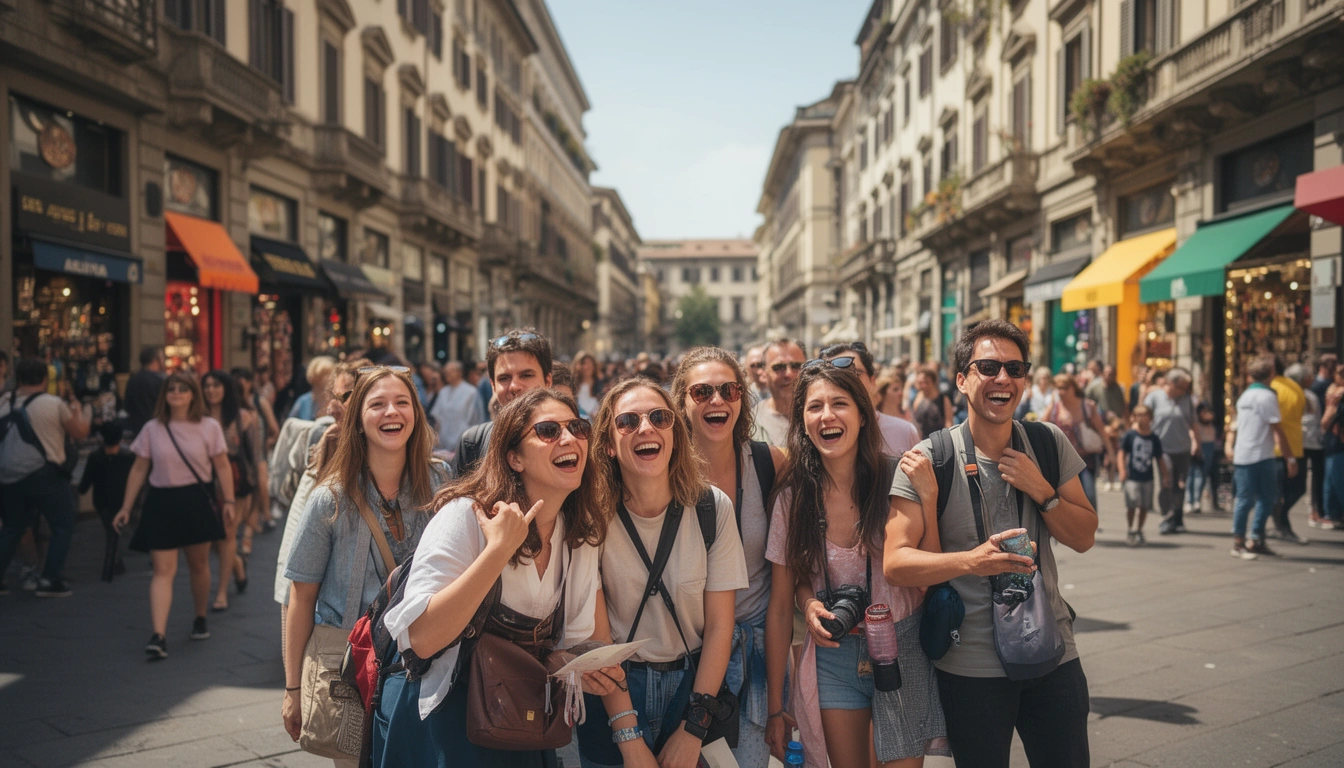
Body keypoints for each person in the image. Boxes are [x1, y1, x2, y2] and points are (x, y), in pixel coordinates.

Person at [885, 319, 1096, 768]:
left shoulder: (1047, 442)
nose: (1003, 379)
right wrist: (972, 561)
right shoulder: (930, 458)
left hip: (1052, 653)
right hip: (972, 665)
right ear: (961, 379)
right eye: (988, 367)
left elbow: (1084, 537)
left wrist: (1044, 491)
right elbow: (896, 562)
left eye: (1015, 369)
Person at [375, 388, 624, 767]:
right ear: (514, 457)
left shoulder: (579, 534)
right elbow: (421, 639)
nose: (569, 438)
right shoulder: (466, 516)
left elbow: (566, 646)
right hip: (445, 722)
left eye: (577, 427)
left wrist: (582, 669)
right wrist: (497, 552)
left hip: (517, 721)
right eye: (547, 430)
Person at [764, 361, 947, 768]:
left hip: (902, 646)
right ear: (803, 421)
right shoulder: (793, 500)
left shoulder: (897, 478)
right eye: (814, 407)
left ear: (863, 415)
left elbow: (931, 571)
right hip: (834, 654)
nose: (827, 416)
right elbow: (780, 606)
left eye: (839, 403)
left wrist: (929, 501)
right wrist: (808, 602)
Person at [574, 377, 748, 768]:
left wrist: (693, 728)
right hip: (615, 688)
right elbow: (599, 637)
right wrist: (628, 735)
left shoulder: (711, 507)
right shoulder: (591, 515)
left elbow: (721, 625)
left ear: (675, 434)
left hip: (694, 686)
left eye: (659, 417)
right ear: (607, 444)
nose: (646, 428)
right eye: (628, 422)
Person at [281, 366, 450, 763]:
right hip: (353, 674)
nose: (391, 412)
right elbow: (299, 598)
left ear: (416, 414)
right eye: (377, 404)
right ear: (357, 419)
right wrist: (292, 690)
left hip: (430, 668)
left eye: (402, 402)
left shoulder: (441, 482)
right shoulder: (331, 498)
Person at [671, 346, 785, 768]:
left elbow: (781, 592)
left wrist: (777, 704)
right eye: (702, 392)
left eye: (729, 390)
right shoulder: (657, 470)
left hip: (751, 665)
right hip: (679, 661)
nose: (717, 400)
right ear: (682, 402)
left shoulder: (769, 463)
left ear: (742, 398)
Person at [112, 372, 235, 657]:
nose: (177, 393)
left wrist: (228, 500)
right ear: (164, 395)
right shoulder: (152, 429)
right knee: (162, 571)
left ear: (193, 394)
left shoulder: (209, 426)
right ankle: (159, 635)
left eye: (183, 388)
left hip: (196, 499)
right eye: (172, 389)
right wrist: (126, 507)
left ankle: (200, 616)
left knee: (198, 566)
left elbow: (223, 466)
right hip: (161, 502)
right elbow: (139, 468)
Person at [0, 357, 90, 597]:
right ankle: (50, 579)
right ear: (44, 379)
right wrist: (79, 412)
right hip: (44, 474)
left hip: (8, 476)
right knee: (62, 524)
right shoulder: (53, 404)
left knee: (12, 528)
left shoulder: (3, 403)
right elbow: (79, 433)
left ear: (17, 379)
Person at [201, 370, 262, 611]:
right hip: (204, 483)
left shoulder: (244, 417)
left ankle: (222, 592)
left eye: (216, 385)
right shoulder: (198, 417)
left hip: (235, 485)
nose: (211, 390)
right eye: (207, 386)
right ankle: (236, 563)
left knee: (227, 535)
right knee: (213, 539)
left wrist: (255, 492)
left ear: (227, 389)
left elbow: (254, 457)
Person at [455, 330, 553, 475]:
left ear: (547, 381)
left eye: (526, 375)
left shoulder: (572, 440)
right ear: (493, 386)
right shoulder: (473, 443)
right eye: (504, 378)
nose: (514, 386)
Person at [1225, 357, 1294, 559]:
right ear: (1271, 373)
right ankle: (1243, 542)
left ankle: (1252, 539)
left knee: (1254, 498)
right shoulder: (1266, 396)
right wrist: (1290, 458)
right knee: (1259, 498)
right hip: (1260, 455)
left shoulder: (1245, 395)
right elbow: (1278, 430)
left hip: (1247, 453)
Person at [822, 342, 920, 456]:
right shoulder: (820, 433)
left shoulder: (905, 432)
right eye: (838, 375)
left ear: (872, 381)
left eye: (856, 373)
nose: (849, 381)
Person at [1043, 374, 1113, 510]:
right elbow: (1041, 426)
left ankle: (1090, 524)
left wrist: (1111, 453)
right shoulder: (1055, 408)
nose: (1061, 391)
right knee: (1066, 499)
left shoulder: (1087, 407)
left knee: (1089, 495)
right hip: (1062, 461)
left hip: (1085, 461)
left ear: (1073, 388)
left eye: (1064, 388)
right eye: (1058, 388)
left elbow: (1102, 431)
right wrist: (1051, 404)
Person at [79, 422, 136, 581]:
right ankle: (111, 563)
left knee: (110, 530)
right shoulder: (128, 458)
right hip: (121, 499)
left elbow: (85, 483)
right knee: (115, 530)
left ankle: (112, 562)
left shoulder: (95, 457)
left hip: (102, 500)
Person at [1144, 368, 1195, 535]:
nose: (1185, 390)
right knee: (1166, 482)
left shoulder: (1187, 399)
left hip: (1183, 448)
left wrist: (1196, 443)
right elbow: (1142, 418)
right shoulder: (1155, 397)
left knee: (1180, 485)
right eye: (1182, 387)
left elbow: (1193, 423)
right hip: (1162, 449)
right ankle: (1166, 518)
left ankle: (1177, 517)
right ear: (1172, 384)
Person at [1268, 357, 1307, 544]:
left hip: (1276, 448)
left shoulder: (1271, 388)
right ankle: (1281, 523)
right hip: (1295, 446)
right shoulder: (1295, 387)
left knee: (1277, 491)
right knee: (1296, 488)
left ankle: (1279, 523)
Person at [1118, 405, 1167, 546]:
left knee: (1144, 506)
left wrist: (1165, 475)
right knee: (1132, 503)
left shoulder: (1153, 438)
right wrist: (1122, 470)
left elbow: (1159, 458)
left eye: (1144, 415)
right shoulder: (1130, 435)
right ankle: (1130, 529)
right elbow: (1122, 453)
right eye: (1138, 415)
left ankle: (1139, 529)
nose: (1141, 418)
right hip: (1132, 476)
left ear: (1150, 418)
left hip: (1147, 476)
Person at [1295, 364, 1331, 528]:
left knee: (1317, 476)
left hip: (1314, 441)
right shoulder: (1297, 394)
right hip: (1301, 441)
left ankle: (1317, 510)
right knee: (1300, 478)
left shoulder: (1311, 394)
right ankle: (1314, 510)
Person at [753, 338, 805, 447]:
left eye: (796, 366)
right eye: (779, 367)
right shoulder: (751, 422)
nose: (788, 374)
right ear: (764, 373)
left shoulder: (822, 415)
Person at [430, 361, 485, 453]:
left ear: (460, 373)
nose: (448, 374)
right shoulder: (443, 391)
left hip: (464, 443)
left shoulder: (471, 392)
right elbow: (437, 418)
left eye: (451, 371)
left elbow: (476, 420)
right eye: (446, 371)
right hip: (443, 444)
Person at [1320, 365, 1344, 527]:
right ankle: (1332, 514)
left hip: (1337, 443)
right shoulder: (1334, 393)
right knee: (1332, 480)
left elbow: (1325, 422)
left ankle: (1332, 513)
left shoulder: (1336, 394)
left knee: (1336, 480)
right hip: (1334, 443)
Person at [124, 345, 166, 436]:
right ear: (156, 360)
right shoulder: (160, 381)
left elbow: (127, 406)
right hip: (157, 430)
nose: (164, 361)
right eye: (162, 358)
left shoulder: (133, 380)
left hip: (136, 430)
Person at [1187, 400, 1221, 513]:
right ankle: (1189, 501)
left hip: (1209, 449)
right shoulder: (1195, 425)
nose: (1207, 414)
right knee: (1191, 475)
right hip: (1197, 448)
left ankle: (1197, 500)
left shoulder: (1212, 426)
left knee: (1202, 475)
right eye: (1204, 412)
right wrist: (1196, 446)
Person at [287, 356, 338, 421]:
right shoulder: (303, 401)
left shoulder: (335, 401)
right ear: (315, 376)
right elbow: (290, 423)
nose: (329, 378)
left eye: (330, 374)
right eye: (325, 374)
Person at [912, 365, 954, 440]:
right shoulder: (918, 398)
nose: (923, 386)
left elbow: (949, 423)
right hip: (921, 441)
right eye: (920, 383)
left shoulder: (943, 399)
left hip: (938, 441)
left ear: (933, 382)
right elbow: (915, 422)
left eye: (926, 382)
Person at [572, 350, 604, 417]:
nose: (586, 367)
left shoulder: (599, 383)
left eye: (589, 363)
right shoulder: (573, 383)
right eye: (584, 363)